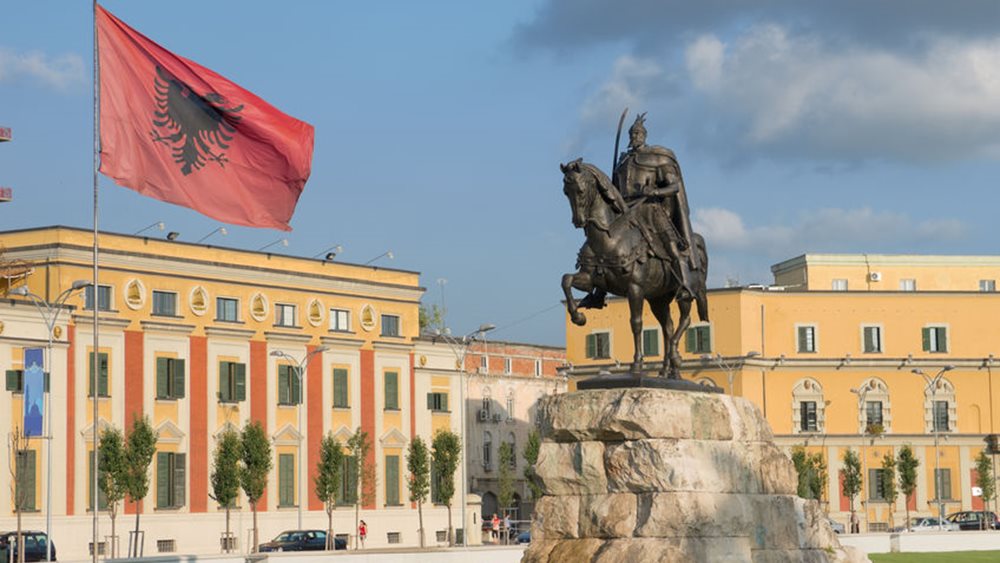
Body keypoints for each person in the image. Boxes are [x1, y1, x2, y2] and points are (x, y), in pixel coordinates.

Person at [613, 113, 697, 292]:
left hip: (650, 210)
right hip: (626, 211)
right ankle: (599, 291)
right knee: (606, 242)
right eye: (632, 134)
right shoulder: (623, 162)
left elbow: (674, 186)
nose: (635, 137)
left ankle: (684, 286)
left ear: (644, 136)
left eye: (638, 134)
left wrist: (655, 191)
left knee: (671, 246)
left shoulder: (656, 158)